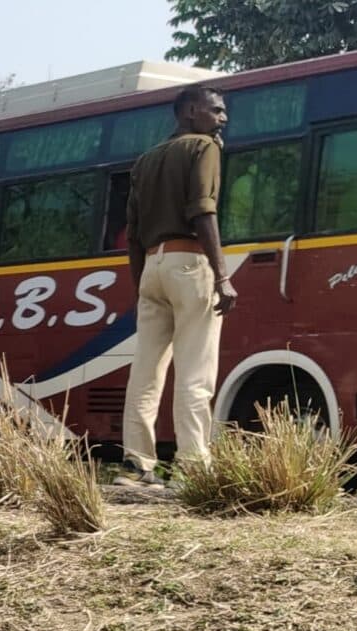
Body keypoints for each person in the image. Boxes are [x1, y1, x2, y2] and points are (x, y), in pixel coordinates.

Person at [122, 84, 236, 482]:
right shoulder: (205, 148)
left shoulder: (146, 160)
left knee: (146, 374)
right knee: (195, 372)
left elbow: (133, 234)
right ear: (190, 111)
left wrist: (141, 287)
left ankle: (137, 464)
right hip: (190, 262)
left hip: (152, 268)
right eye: (216, 110)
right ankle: (193, 467)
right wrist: (222, 275)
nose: (223, 118)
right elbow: (204, 210)